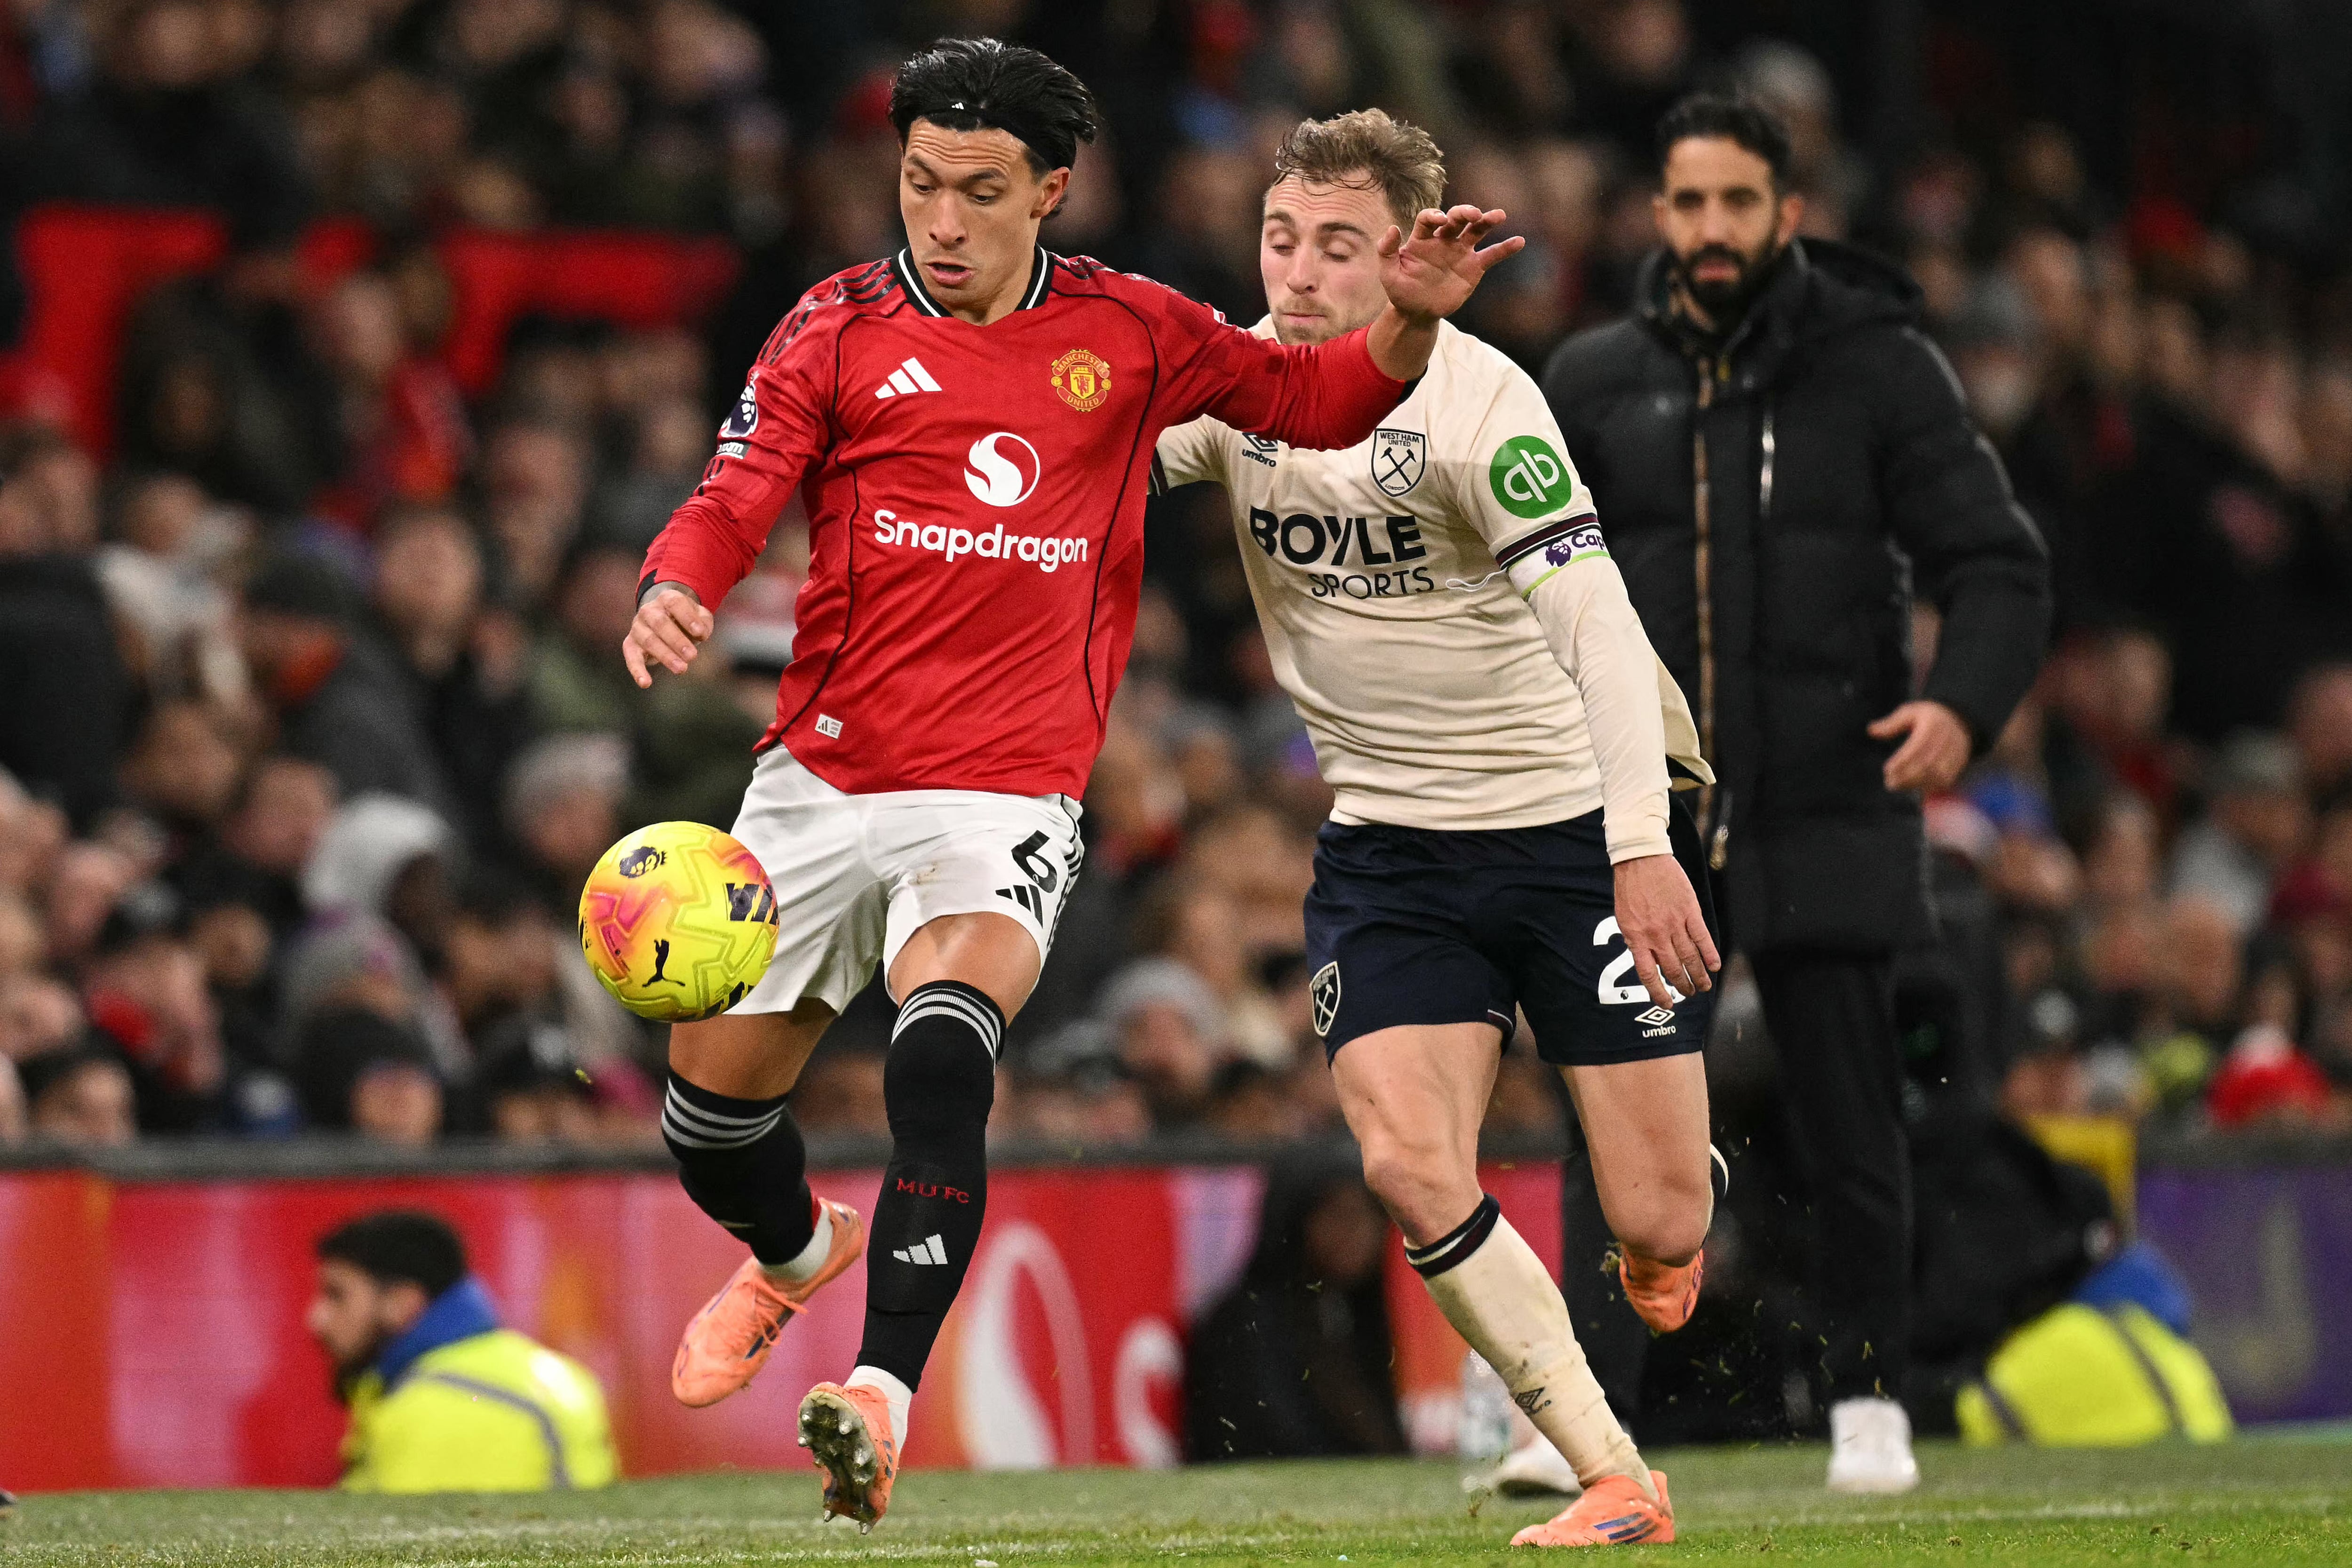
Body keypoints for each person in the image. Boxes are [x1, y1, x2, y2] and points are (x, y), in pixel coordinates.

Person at [622, 37, 1519, 1533]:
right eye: (920, 185)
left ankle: (880, 1394)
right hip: (818, 781)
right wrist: (676, 582)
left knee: (939, 1049)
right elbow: (737, 487)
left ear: (1049, 189)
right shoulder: (834, 326)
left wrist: (1408, 333)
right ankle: (791, 1257)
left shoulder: (1136, 328)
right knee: (708, 1122)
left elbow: (1308, 399)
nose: (943, 222)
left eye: (980, 191)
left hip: (1001, 793)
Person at [1155, 108, 1717, 1548]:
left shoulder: (1481, 407)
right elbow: (1075, 455)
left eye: (1338, 246)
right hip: (1389, 851)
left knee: (1653, 1229)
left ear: (1408, 254)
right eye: (1281, 237)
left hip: (1565, 833)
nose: (1296, 272)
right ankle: (1607, 1468)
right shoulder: (1231, 389)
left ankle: (1680, 1195)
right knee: (1408, 1166)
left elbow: (1597, 634)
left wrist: (1638, 841)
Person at [1541, 93, 2050, 1493]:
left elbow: (1997, 563)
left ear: (1788, 211)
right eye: (1686, 204)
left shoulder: (1879, 367)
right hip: (1648, 820)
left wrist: (1961, 704)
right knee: (1623, 1114)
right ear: (1655, 214)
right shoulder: (1589, 380)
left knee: (1847, 1121)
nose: (1710, 231)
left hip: (1830, 796)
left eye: (1736, 205)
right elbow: (1514, 584)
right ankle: (1589, 1424)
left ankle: (1871, 1401)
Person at [306, 1210, 614, 1493]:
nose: (316, 1318)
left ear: (402, 1303)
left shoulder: (441, 1405)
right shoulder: (524, 1368)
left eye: (337, 1295)